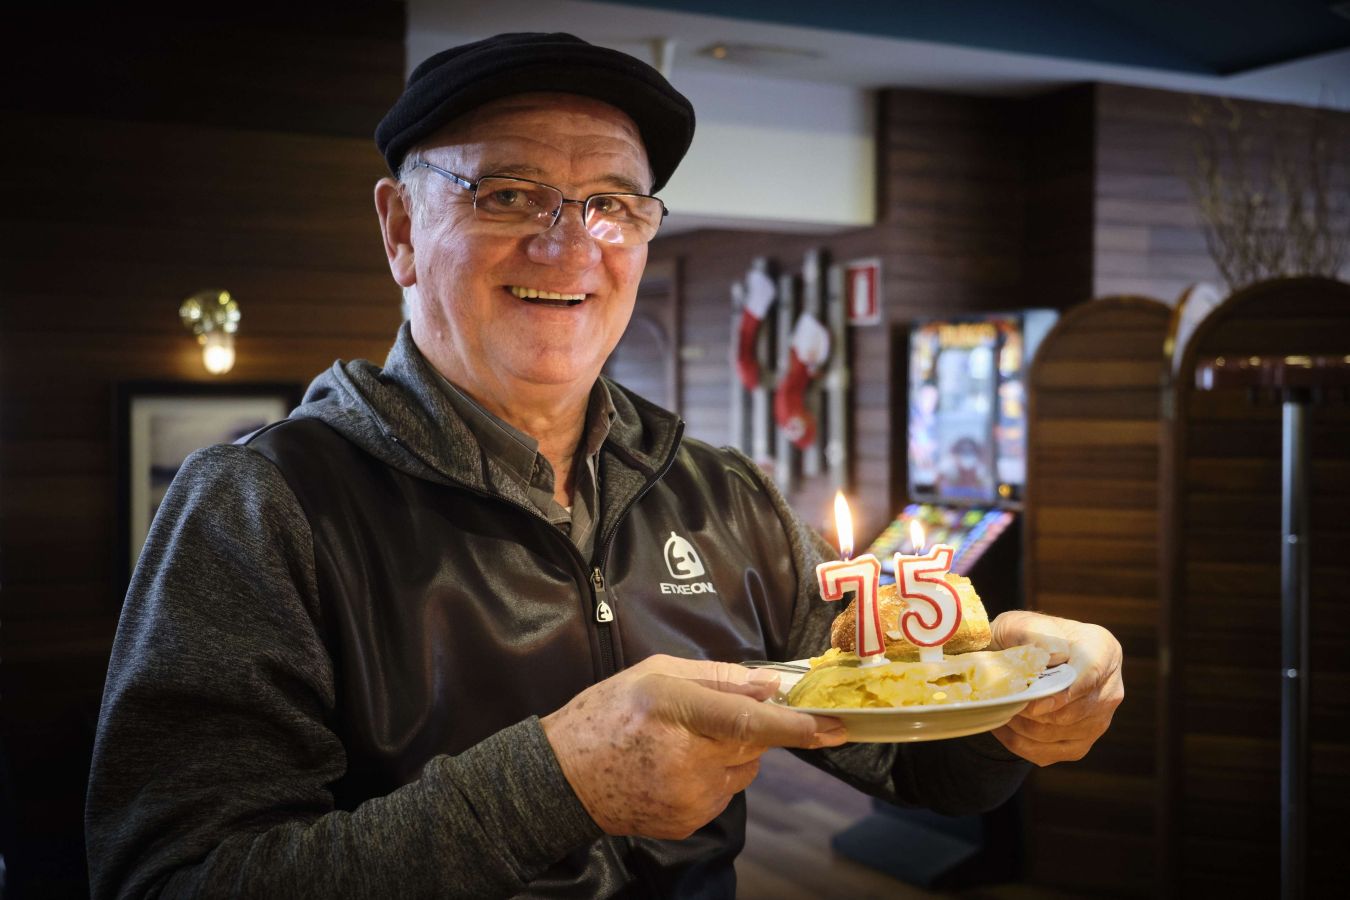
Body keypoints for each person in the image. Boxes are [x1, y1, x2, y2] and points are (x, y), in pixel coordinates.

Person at [85, 32, 1124, 899]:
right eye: (507, 195)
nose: (569, 243)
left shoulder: (725, 495)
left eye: (614, 205)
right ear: (401, 230)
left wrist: (1012, 717)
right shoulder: (261, 507)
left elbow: (903, 752)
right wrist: (557, 785)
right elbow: (175, 877)